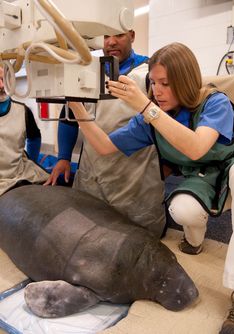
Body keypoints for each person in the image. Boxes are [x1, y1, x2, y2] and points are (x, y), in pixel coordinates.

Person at [66, 42, 234, 333]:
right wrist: (77, 109)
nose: (157, 91)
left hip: (231, 170)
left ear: (185, 81)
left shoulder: (214, 102)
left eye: (166, 84)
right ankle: (194, 242)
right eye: (153, 83)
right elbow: (104, 146)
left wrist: (146, 107)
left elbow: (196, 147)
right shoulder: (150, 118)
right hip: (201, 178)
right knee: (182, 210)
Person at [45, 30, 166, 237]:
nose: (111, 42)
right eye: (105, 36)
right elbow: (69, 117)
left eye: (118, 35)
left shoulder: (150, 73)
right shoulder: (87, 73)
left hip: (137, 176)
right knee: (88, 234)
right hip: (94, 170)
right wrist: (63, 157)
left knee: (138, 240)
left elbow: (168, 124)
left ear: (132, 35)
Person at [0, 65, 49, 195]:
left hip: (20, 175)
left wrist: (31, 160)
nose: (1, 85)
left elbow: (34, 137)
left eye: (3, 79)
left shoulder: (23, 111)